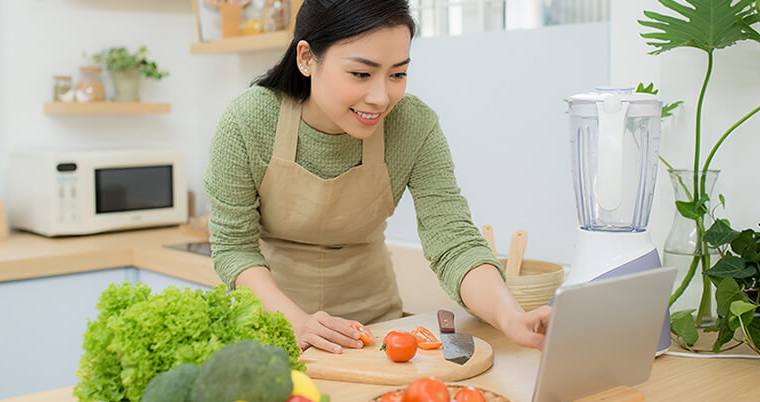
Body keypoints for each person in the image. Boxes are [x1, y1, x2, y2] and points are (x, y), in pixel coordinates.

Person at [205, 0, 550, 354]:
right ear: (307, 58)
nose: (381, 97)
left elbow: (453, 242)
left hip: (375, 332)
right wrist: (296, 321)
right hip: (272, 326)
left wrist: (511, 318)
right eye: (361, 74)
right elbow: (234, 247)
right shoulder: (248, 120)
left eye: (397, 74)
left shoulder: (414, 125)